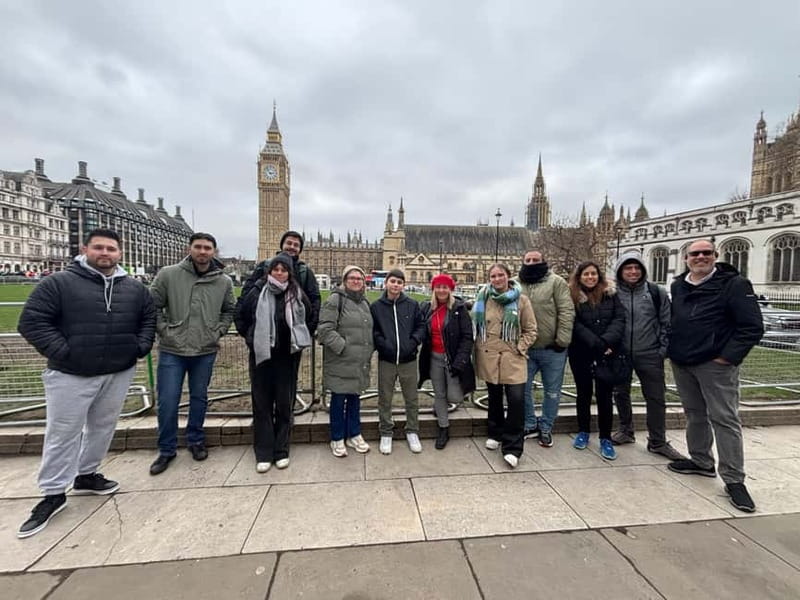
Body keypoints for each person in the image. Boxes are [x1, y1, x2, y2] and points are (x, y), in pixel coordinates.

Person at [16, 228, 155, 538]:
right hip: (70, 374)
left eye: (111, 249)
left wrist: (139, 347)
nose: (105, 253)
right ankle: (52, 493)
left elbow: (148, 320)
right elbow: (31, 322)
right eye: (98, 248)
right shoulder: (59, 283)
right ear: (85, 249)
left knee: (103, 427)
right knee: (62, 432)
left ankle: (87, 474)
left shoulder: (134, 288)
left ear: (120, 253)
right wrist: (64, 352)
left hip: (118, 371)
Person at [667, 239, 763, 513]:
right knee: (694, 414)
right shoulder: (679, 285)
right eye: (694, 254)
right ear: (686, 258)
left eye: (705, 253)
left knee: (724, 419)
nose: (700, 257)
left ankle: (734, 480)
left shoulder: (734, 284)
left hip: (715, 364)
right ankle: (701, 461)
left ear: (715, 256)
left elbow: (752, 327)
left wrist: (726, 358)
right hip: (683, 361)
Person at [148, 233, 236, 475]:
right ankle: (166, 449)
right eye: (198, 247)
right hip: (172, 349)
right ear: (190, 249)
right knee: (168, 401)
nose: (203, 251)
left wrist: (216, 331)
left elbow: (229, 310)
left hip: (205, 348)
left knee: (199, 398)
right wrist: (165, 331)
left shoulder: (224, 281)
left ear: (214, 252)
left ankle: (195, 440)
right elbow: (151, 306)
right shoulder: (168, 274)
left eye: (207, 247)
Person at [235, 253, 313, 472]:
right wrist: (252, 338)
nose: (280, 273)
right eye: (276, 269)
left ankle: (281, 451)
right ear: (269, 271)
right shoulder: (257, 291)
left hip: (287, 358)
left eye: (284, 269)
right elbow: (240, 316)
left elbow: (311, 317)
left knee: (284, 404)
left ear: (290, 272)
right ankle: (263, 452)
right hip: (261, 357)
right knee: (261, 405)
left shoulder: (297, 294)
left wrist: (299, 341)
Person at [611, 251, 685, 460]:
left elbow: (666, 322)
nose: (633, 272)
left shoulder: (655, 291)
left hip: (650, 353)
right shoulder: (612, 293)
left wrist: (661, 350)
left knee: (655, 397)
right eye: (628, 268)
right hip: (621, 354)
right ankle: (626, 431)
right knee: (620, 393)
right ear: (620, 271)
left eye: (636, 268)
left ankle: (657, 441)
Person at [473, 263, 537, 468]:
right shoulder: (483, 297)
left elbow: (531, 330)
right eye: (493, 275)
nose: (497, 279)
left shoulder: (522, 300)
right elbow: (476, 324)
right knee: (494, 397)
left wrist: (520, 347)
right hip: (490, 355)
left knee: (516, 401)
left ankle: (513, 447)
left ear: (509, 277)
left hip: (512, 357)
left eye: (501, 275)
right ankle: (495, 432)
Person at [568, 261, 626, 460]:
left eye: (593, 274)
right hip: (581, 351)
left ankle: (605, 438)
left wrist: (606, 342)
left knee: (604, 395)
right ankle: (583, 431)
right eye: (586, 274)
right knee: (583, 393)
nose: (590, 277)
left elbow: (619, 319)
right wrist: (596, 343)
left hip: (607, 351)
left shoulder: (611, 294)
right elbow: (574, 323)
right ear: (579, 277)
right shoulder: (572, 296)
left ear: (599, 276)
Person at [517, 250, 575, 448]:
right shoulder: (516, 283)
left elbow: (566, 310)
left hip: (552, 348)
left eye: (536, 260)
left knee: (552, 391)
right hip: (525, 349)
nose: (532, 263)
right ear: (523, 262)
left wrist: (562, 340)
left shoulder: (556, 282)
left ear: (544, 261)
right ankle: (531, 423)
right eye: (528, 260)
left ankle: (546, 427)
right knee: (522, 389)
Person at [317, 265, 374, 457]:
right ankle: (337, 438)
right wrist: (343, 347)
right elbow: (324, 329)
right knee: (339, 399)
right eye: (352, 278)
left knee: (354, 399)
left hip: (359, 361)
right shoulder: (335, 299)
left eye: (359, 278)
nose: (356, 281)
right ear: (345, 280)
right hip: (341, 360)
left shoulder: (365, 303)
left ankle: (354, 434)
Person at [371, 268, 426, 455]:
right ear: (386, 283)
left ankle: (412, 430)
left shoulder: (412, 304)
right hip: (386, 359)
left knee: (411, 398)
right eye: (393, 281)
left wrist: (413, 343)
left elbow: (421, 326)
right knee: (384, 398)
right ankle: (386, 432)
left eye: (399, 282)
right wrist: (383, 345)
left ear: (403, 285)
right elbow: (375, 331)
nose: (396, 285)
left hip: (408, 359)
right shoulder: (376, 306)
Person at [418, 273, 476, 450]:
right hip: (434, 357)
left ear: (450, 289)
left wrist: (460, 361)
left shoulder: (459, 308)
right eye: (438, 287)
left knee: (455, 396)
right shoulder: (427, 308)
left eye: (445, 287)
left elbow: (467, 337)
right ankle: (443, 428)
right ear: (433, 289)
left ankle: (442, 407)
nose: (441, 290)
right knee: (440, 394)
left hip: (452, 359)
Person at [241, 230, 321, 336]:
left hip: (292, 339)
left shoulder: (304, 272)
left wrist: (308, 329)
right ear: (282, 245)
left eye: (296, 245)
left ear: (300, 249)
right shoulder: (264, 266)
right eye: (289, 243)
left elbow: (315, 301)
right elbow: (245, 297)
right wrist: (246, 331)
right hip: (262, 335)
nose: (292, 247)